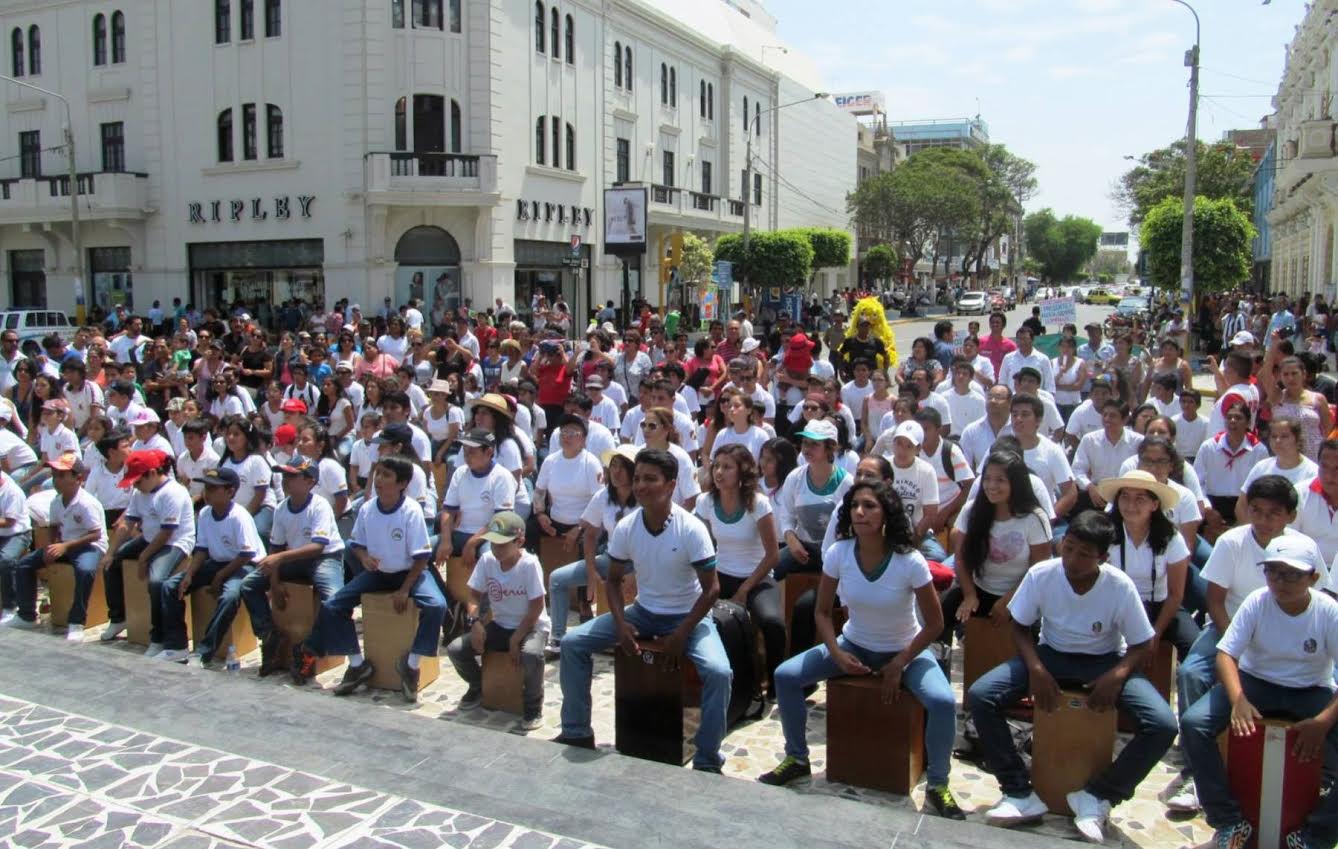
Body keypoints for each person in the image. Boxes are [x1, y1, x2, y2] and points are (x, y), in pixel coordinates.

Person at [968, 510, 1178, 842]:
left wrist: (1117, 675)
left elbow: (1141, 643)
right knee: (982, 695)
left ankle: (1099, 795)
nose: (1072, 559)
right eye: (1068, 548)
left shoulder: (1119, 586)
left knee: (1163, 723)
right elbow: (1020, 627)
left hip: (1104, 659)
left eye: (1084, 554)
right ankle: (1019, 792)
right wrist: (1036, 668)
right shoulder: (1042, 574)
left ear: (1103, 557)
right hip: (1051, 654)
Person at [758, 480, 963, 818]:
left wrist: (899, 663)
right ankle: (796, 758)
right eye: (855, 506)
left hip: (904, 651)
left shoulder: (909, 560)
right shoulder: (839, 553)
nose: (860, 512)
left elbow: (935, 624)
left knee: (941, 702)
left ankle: (939, 784)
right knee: (785, 676)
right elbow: (822, 612)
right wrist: (836, 654)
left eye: (869, 506)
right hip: (853, 643)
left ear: (887, 514)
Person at [554, 449, 731, 773]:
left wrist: (681, 633)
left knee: (719, 673)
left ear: (671, 484)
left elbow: (712, 590)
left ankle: (706, 757)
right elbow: (613, 581)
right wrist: (621, 625)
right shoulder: (626, 527)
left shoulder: (691, 528)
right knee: (572, 643)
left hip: (688, 615)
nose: (640, 486)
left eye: (650, 479)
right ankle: (576, 731)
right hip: (644, 612)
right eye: (638, 478)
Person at [1169, 474, 1329, 813]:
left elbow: (1319, 605)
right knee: (1191, 674)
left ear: (1289, 515)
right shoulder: (1233, 543)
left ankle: (1321, 788)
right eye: (1256, 511)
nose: (1263, 520)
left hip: (1289, 644)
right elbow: (1215, 602)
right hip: (1229, 626)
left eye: (1273, 513)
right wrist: (1240, 649)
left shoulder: (1305, 549)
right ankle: (1194, 770)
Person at [1179, 535, 1338, 849]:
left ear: (1313, 577)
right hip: (1256, 682)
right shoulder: (1257, 601)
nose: (1280, 581)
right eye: (1273, 572)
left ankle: (1315, 836)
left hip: (1310, 689)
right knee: (1195, 723)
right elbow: (1226, 654)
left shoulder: (1328, 612)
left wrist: (1323, 721)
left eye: (1292, 574)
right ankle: (1228, 822)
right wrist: (1238, 698)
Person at [291, 455, 445, 702]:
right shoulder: (367, 509)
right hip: (378, 574)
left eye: (386, 475)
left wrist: (405, 589)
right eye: (378, 474)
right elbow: (356, 543)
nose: (379, 480)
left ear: (402, 483)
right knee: (332, 606)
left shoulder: (411, 511)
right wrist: (363, 558)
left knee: (437, 605)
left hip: (410, 574)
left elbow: (421, 558)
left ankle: (412, 665)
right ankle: (357, 663)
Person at [938, 450, 1051, 670]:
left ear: (1016, 483)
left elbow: (1039, 569)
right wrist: (969, 594)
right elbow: (960, 556)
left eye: (1000, 480)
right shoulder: (972, 510)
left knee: (1028, 633)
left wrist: (1011, 599)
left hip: (1021, 592)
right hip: (980, 588)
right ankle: (940, 670)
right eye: (987, 478)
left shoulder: (1034, 517)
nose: (991, 485)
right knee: (945, 612)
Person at [240, 459, 345, 676]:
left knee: (334, 599)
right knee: (249, 584)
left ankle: (310, 648)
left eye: (292, 476)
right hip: (293, 558)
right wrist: (274, 583)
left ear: (309, 481)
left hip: (325, 558)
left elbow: (318, 547)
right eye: (284, 476)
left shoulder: (320, 505)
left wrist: (279, 560)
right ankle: (269, 635)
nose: (286, 481)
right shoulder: (281, 508)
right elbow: (275, 548)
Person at [447, 511, 549, 732]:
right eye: (493, 544)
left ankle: (533, 706)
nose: (496, 549)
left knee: (531, 655)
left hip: (531, 626)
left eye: (503, 545)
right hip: (500, 624)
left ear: (519, 541)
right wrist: (475, 622)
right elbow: (473, 595)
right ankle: (477, 686)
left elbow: (536, 607)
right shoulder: (487, 561)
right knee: (456, 649)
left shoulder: (530, 565)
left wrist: (517, 637)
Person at [694, 444, 783, 697]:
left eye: (727, 467)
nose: (719, 472)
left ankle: (776, 686)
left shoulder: (758, 503)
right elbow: (700, 546)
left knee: (772, 622)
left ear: (742, 472)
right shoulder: (706, 502)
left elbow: (773, 554)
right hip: (721, 574)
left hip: (757, 577)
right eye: (717, 466)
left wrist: (745, 588)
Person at [157, 467, 266, 665]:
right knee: (170, 586)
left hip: (242, 564)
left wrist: (220, 576)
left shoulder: (239, 516)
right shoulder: (206, 513)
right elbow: (201, 549)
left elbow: (247, 553)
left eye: (213, 488)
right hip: (217, 562)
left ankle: (204, 652)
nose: (207, 492)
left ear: (230, 491)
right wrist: (189, 574)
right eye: (206, 487)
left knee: (230, 596)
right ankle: (176, 646)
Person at [98, 449, 196, 656]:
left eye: (138, 481)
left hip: (175, 542)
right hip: (149, 538)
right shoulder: (138, 493)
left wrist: (144, 558)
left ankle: (159, 637)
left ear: (152, 473)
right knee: (112, 564)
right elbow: (128, 523)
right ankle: (118, 618)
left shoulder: (173, 493)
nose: (135, 485)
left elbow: (167, 533)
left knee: (157, 582)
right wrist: (111, 552)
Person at [545, 445, 638, 653]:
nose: (616, 471)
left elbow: (654, 544)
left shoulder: (644, 499)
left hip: (642, 563)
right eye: (613, 466)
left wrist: (637, 573)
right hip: (612, 559)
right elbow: (590, 534)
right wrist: (590, 572)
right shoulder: (603, 497)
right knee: (557, 579)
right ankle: (558, 637)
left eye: (622, 467)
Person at [1100, 471, 1199, 663]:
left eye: (1140, 499)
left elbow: (1175, 594)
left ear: (1154, 505)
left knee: (1194, 646)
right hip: (1115, 605)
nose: (1130, 505)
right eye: (1125, 497)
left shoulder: (1171, 538)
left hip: (1159, 606)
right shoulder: (1104, 533)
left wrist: (1156, 632)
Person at [772, 419, 852, 581]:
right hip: (803, 548)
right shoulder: (795, 478)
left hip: (836, 553)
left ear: (830, 448)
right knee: (768, 572)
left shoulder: (847, 482)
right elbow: (786, 517)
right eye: (805, 443)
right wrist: (792, 541)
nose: (807, 449)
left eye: (814, 444)